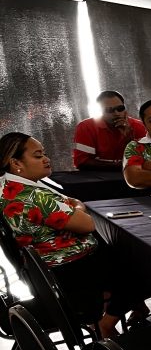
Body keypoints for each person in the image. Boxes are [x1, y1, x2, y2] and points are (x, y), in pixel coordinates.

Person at [2, 132, 136, 338]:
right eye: (38, 156)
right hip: (70, 271)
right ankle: (105, 324)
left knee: (121, 255)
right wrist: (75, 209)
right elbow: (87, 224)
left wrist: (74, 208)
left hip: (45, 270)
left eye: (44, 153)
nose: (46, 159)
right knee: (142, 264)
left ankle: (118, 306)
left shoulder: (8, 187)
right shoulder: (32, 196)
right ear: (15, 163)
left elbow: (74, 205)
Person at [72, 90, 147, 170]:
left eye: (120, 108)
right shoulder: (86, 127)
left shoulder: (139, 126)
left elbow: (149, 159)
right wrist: (120, 165)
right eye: (109, 110)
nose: (116, 113)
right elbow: (81, 162)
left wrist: (129, 139)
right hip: (98, 178)